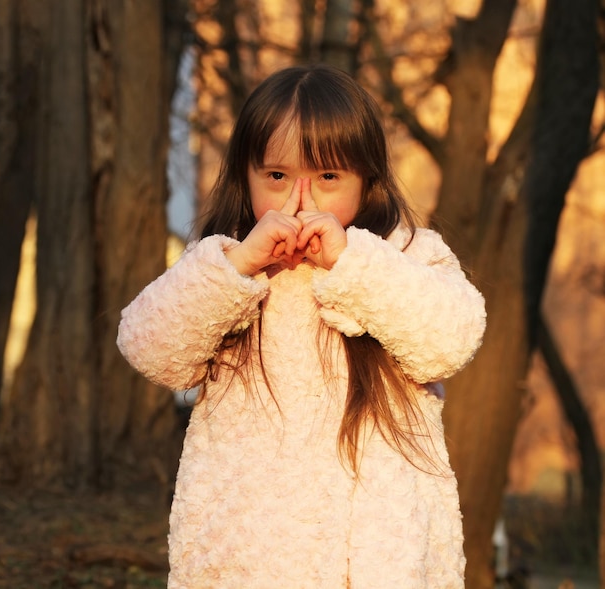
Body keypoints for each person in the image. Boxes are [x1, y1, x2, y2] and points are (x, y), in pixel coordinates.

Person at [117, 64, 486, 588]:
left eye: (328, 178)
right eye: (277, 177)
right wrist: (238, 267)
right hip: (248, 557)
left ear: (368, 180)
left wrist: (352, 263)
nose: (301, 201)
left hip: (380, 558)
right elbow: (149, 347)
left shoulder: (405, 257)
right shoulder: (225, 268)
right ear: (245, 179)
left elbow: (449, 341)